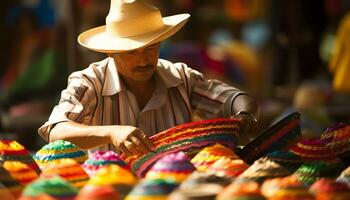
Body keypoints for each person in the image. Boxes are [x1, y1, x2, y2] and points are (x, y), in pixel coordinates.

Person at [38, 0, 259, 157]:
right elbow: (56, 131)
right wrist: (111, 133)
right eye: (131, 52)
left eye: (151, 48)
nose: (143, 59)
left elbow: (234, 98)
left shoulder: (180, 77)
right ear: (110, 52)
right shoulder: (90, 81)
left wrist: (244, 114)